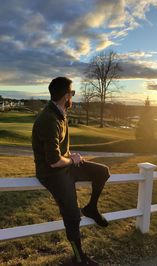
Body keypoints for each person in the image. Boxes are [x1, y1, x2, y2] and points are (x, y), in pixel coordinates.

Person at [32, 77, 110, 266]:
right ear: (65, 95)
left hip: (65, 164)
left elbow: (59, 151)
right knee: (73, 215)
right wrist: (70, 159)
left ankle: (91, 208)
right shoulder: (49, 119)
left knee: (102, 172)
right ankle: (78, 257)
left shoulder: (60, 112)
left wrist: (70, 154)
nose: (72, 96)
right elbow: (53, 161)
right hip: (53, 173)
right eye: (72, 93)